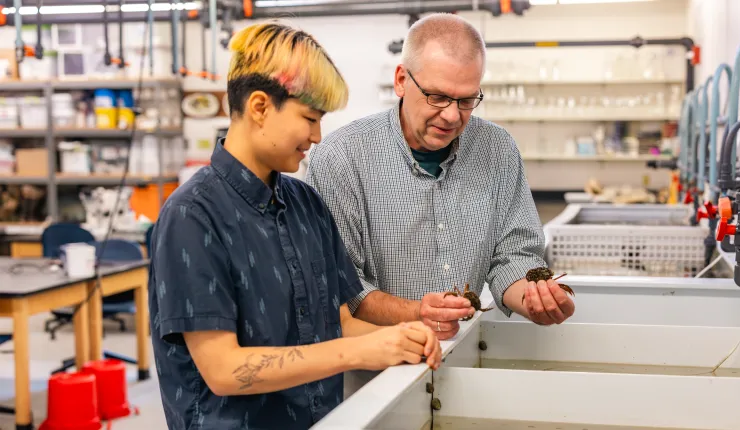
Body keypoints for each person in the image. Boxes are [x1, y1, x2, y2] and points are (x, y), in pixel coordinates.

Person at [148, 21, 441, 430]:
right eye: (309, 117)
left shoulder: (306, 204)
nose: (318, 136)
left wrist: (405, 333)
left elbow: (337, 320)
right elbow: (224, 369)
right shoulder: (192, 216)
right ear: (260, 107)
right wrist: (358, 353)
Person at [305, 13, 575, 340]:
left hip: (461, 351)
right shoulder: (341, 157)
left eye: (466, 100)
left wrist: (533, 300)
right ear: (402, 80)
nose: (451, 115)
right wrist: (417, 313)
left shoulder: (498, 149)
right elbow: (342, 284)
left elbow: (513, 257)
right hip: (376, 371)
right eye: (438, 96)